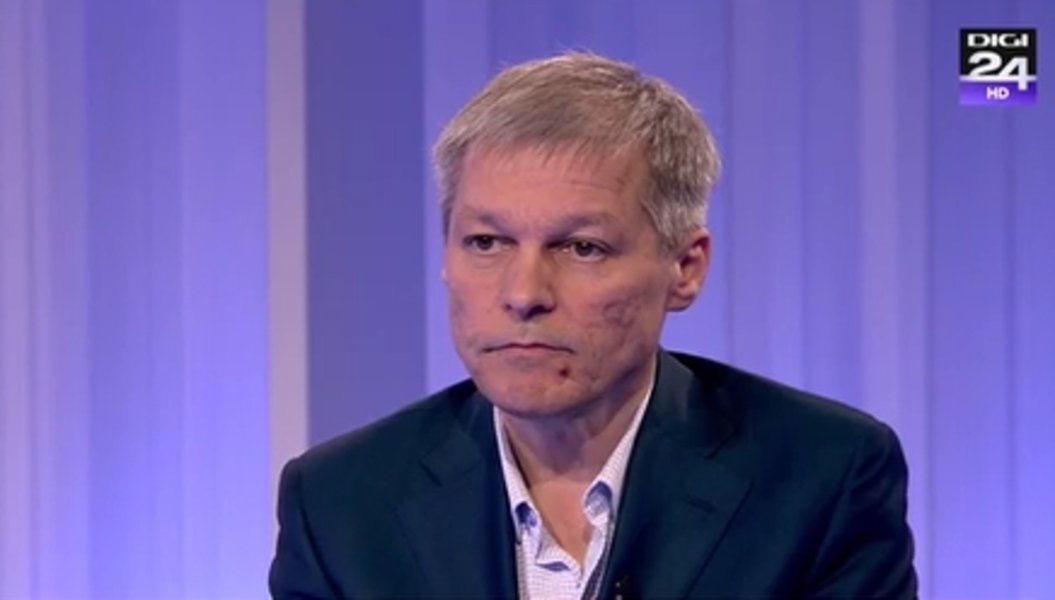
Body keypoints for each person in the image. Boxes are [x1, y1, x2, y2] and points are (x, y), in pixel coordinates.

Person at [268, 51, 918, 599]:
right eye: (486, 242)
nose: (523, 294)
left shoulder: (820, 477)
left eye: (581, 248)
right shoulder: (340, 505)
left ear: (684, 268)